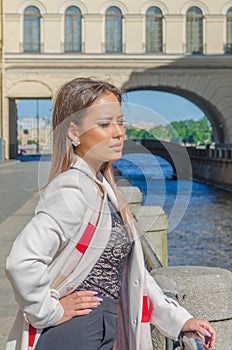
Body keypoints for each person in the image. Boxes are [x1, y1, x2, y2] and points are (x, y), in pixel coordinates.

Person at [5, 77, 216, 350]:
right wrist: (49, 311)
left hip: (103, 328)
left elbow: (132, 273)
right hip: (76, 333)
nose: (118, 132)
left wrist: (178, 320)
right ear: (73, 133)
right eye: (104, 124)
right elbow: (21, 262)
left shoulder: (103, 189)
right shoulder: (72, 190)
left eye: (120, 122)